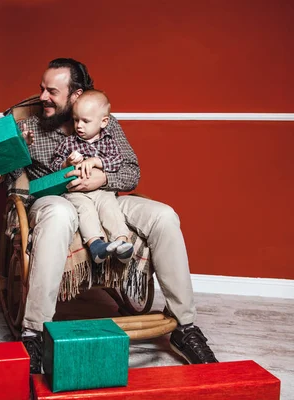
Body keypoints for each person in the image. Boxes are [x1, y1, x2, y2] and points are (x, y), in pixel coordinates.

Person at [11, 58, 217, 373]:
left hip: (106, 197)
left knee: (165, 216)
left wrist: (103, 179)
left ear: (76, 95)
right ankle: (34, 331)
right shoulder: (26, 126)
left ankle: (184, 327)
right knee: (58, 216)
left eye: (52, 91)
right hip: (57, 199)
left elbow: (131, 172)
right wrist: (10, 157)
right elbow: (11, 178)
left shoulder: (103, 119)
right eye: (42, 89)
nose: (42, 97)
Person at [50, 89, 134, 265]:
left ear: (104, 122)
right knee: (85, 209)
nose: (79, 126)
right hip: (76, 192)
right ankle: (96, 245)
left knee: (110, 208)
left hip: (102, 190)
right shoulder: (69, 142)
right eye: (76, 120)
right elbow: (53, 167)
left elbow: (117, 162)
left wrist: (96, 161)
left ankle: (123, 244)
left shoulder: (108, 141)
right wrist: (67, 163)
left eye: (85, 121)